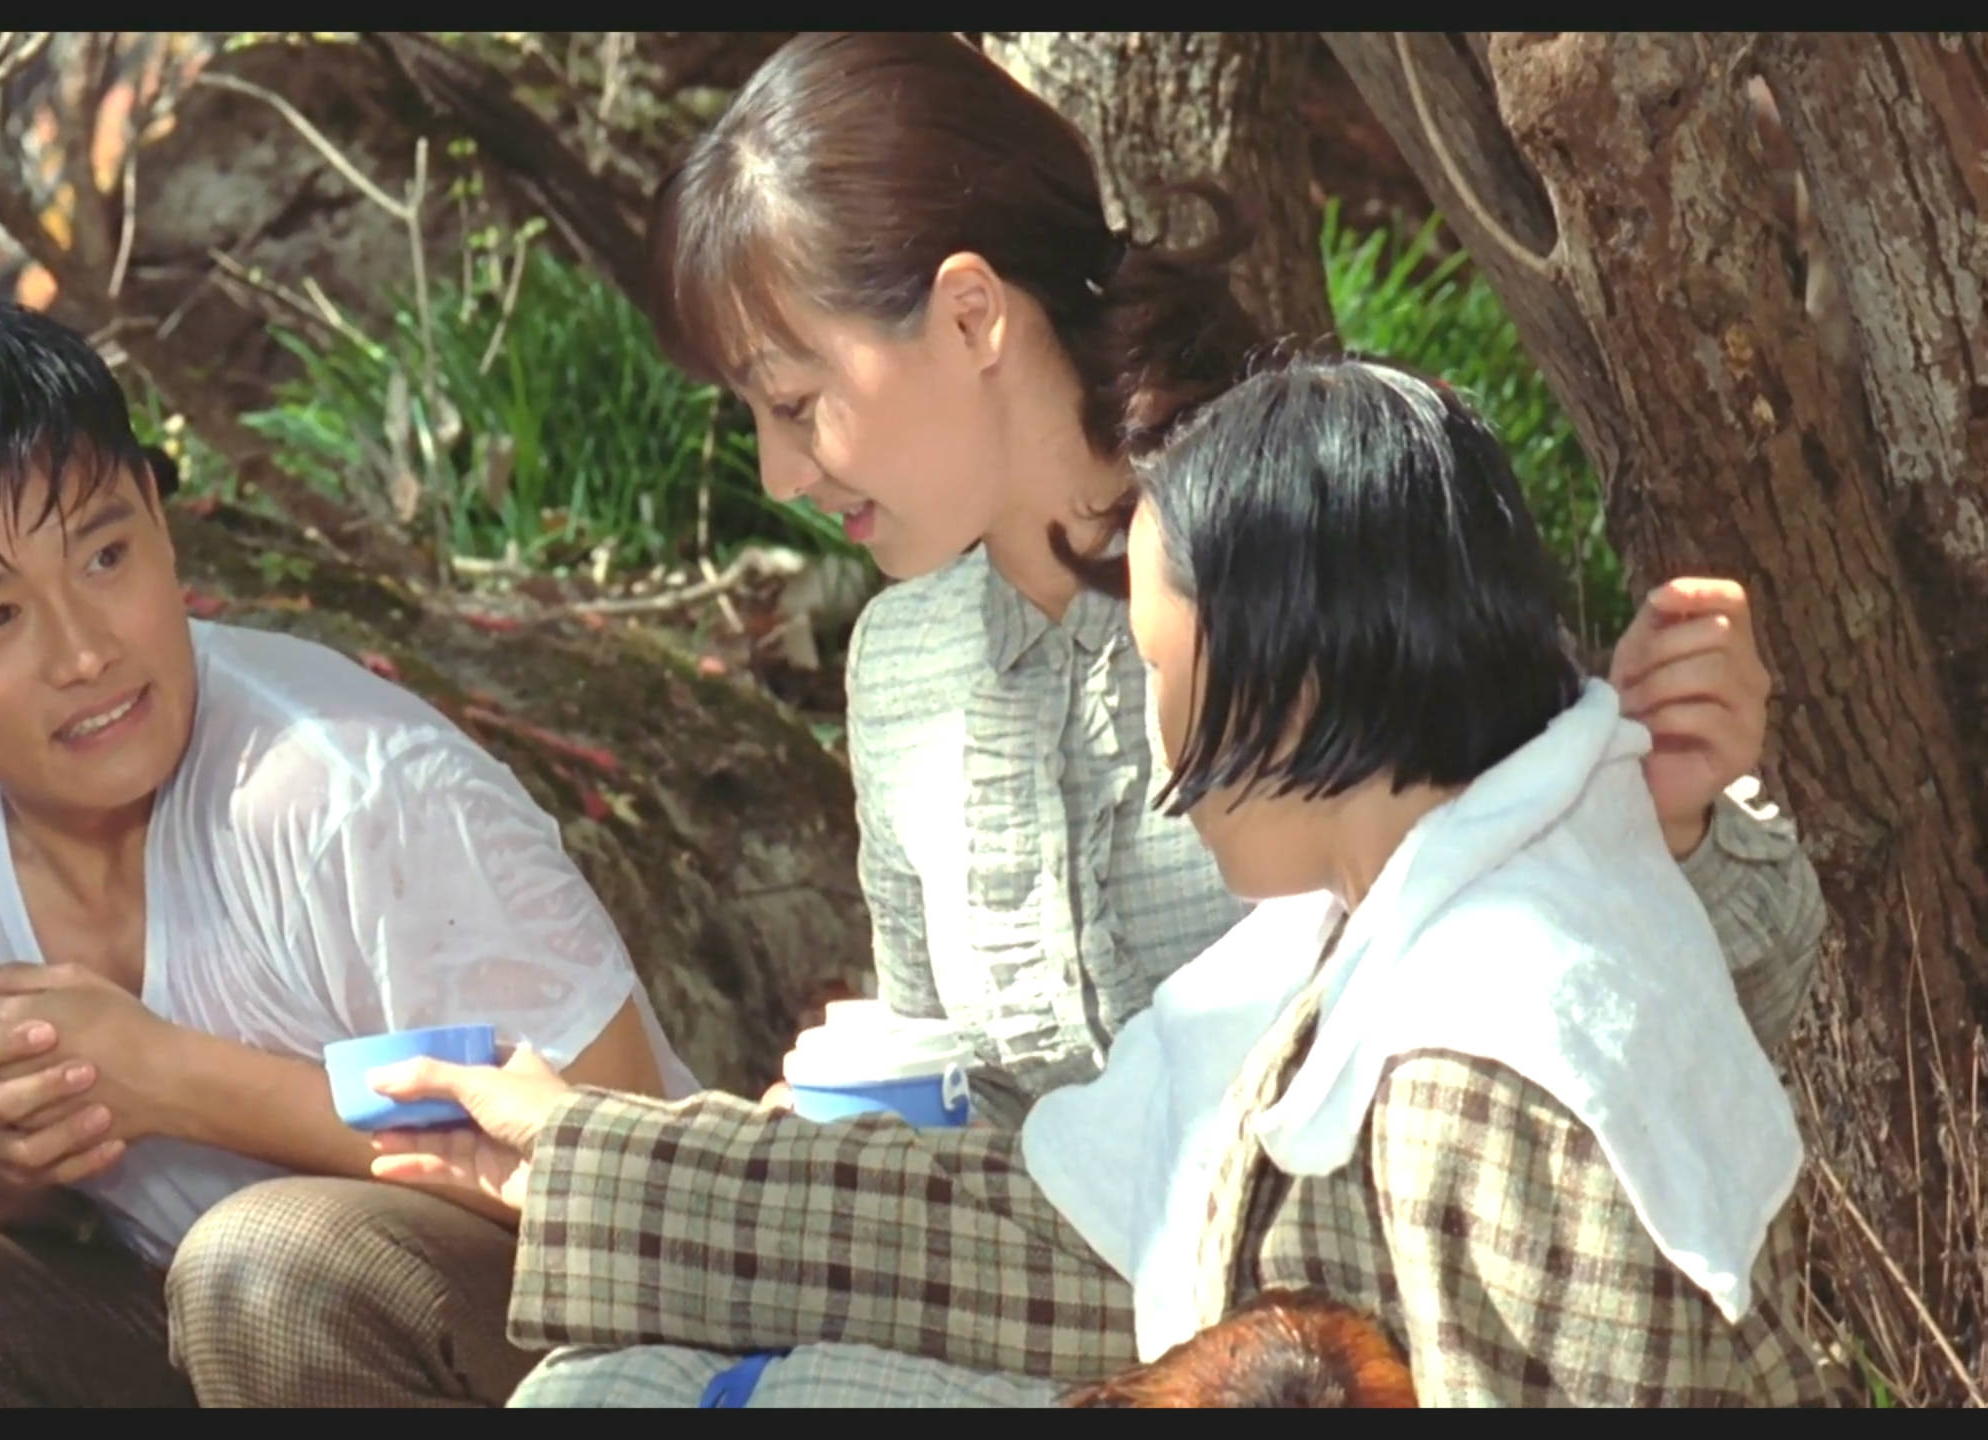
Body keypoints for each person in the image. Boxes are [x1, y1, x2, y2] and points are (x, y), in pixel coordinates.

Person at [359, 356, 1845, 1408]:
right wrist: (583, 1158)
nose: (1152, 729)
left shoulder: (1484, 1051)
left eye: (1158, 667)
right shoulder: (1366, 948)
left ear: (1292, 678)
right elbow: (1041, 1236)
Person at [642, 31, 1822, 1129]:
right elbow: (946, 1097)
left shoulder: (1296, 552)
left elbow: (1667, 993)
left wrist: (1665, 821)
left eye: (794, 402)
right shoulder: (901, 667)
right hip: (1029, 1279)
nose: (778, 471)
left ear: (968, 317)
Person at [0, 301, 696, 1408]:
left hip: (585, 1348)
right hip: (196, 1342)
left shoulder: (354, 794)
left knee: (267, 1271)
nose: (85, 652)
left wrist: (182, 1083)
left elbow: (642, 1184)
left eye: (105, 555)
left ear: (158, 515)